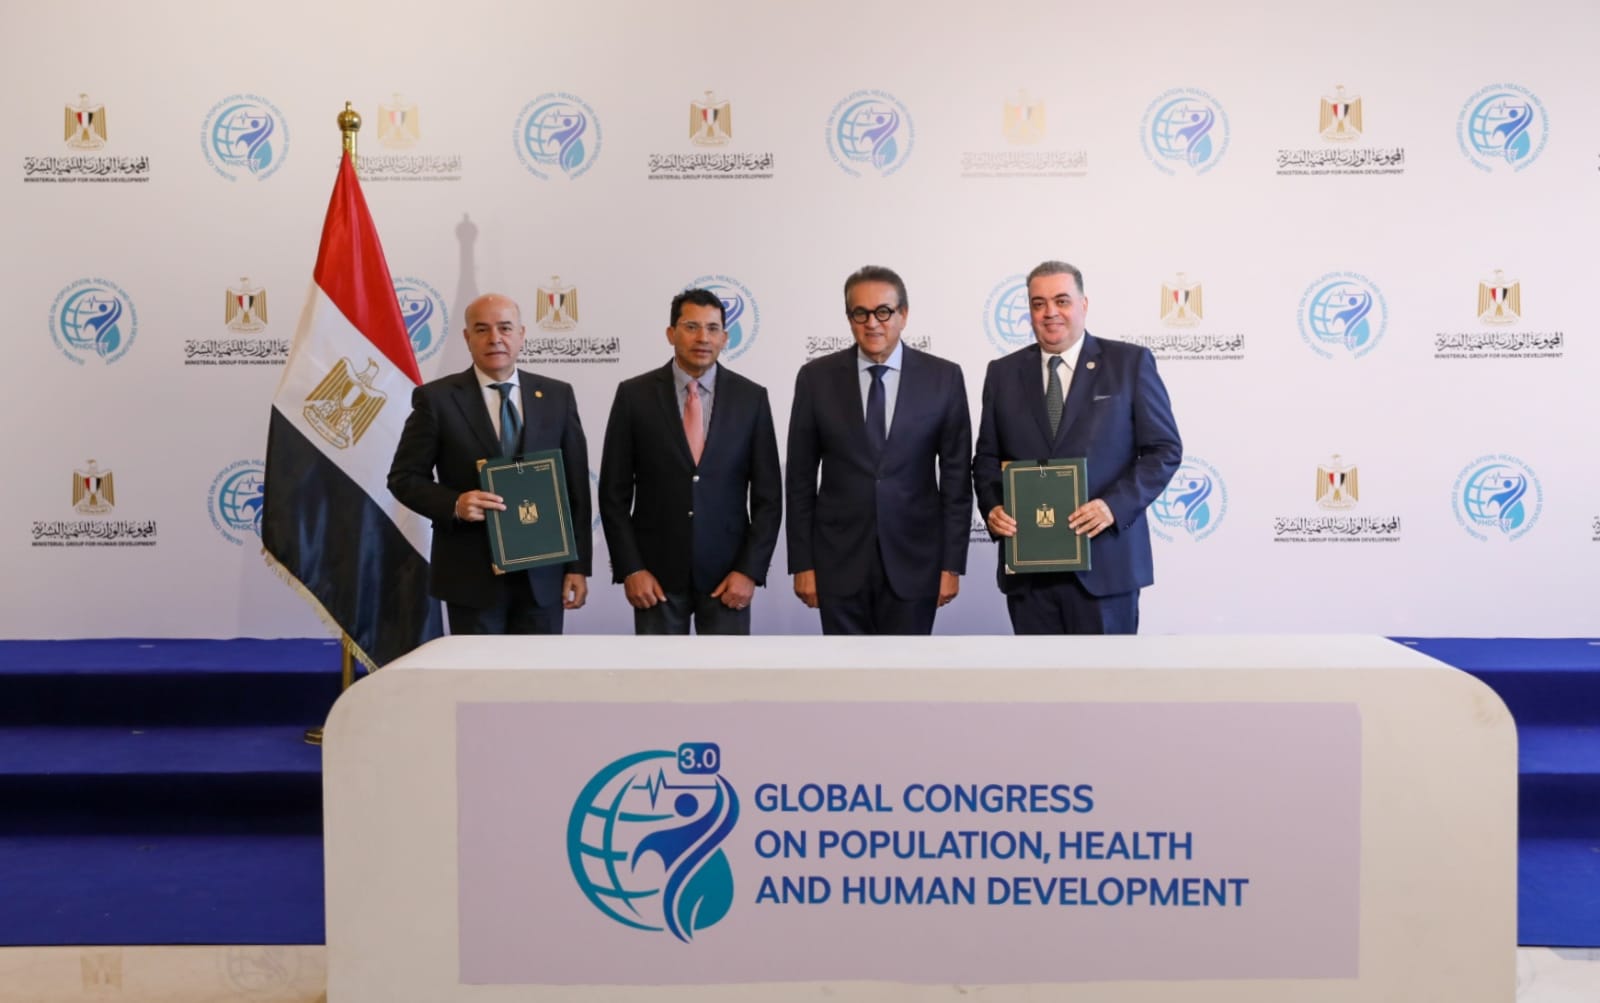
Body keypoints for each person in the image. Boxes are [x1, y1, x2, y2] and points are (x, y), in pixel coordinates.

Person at [973, 261, 1181, 634]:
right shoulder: (1002, 373)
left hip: (1106, 567)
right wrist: (992, 507)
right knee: (1036, 674)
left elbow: (1164, 450)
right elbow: (986, 458)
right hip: (1029, 572)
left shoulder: (1129, 364)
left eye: (1062, 300)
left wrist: (1113, 507)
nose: (1050, 312)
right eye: (1038, 303)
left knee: (1108, 674)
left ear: (1084, 304)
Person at [388, 292, 592, 634]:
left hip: (543, 576)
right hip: (471, 577)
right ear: (467, 337)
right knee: (477, 670)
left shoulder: (557, 395)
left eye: (505, 328)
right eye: (482, 329)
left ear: (521, 335)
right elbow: (404, 477)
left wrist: (578, 566)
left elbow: (576, 490)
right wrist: (454, 503)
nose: (495, 338)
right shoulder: (436, 399)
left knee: (538, 668)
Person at [786, 265, 971, 634]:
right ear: (849, 318)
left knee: (908, 671)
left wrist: (951, 565)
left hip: (916, 563)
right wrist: (802, 563)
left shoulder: (944, 378)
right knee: (842, 671)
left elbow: (956, 482)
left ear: (903, 315)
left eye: (883, 312)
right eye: (861, 313)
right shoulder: (816, 378)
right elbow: (799, 480)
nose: (872, 323)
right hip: (837, 564)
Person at [598, 288, 782, 634]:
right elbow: (613, 494)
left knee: (728, 671)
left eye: (713, 328)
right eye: (691, 327)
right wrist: (632, 568)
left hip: (728, 578)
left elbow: (769, 498)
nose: (703, 338)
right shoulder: (634, 396)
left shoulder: (751, 398)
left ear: (725, 338)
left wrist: (749, 571)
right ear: (671, 333)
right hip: (655, 579)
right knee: (658, 671)